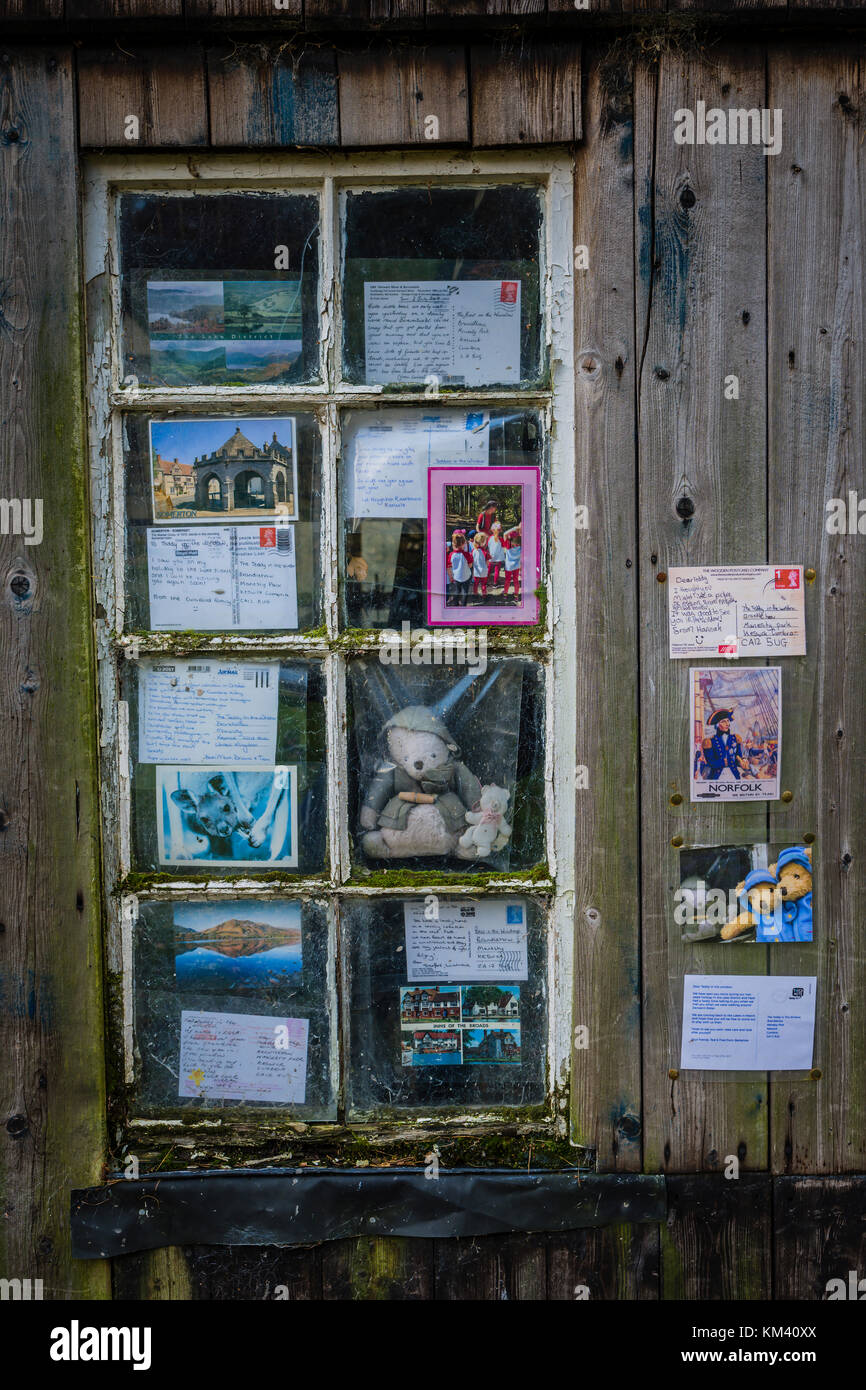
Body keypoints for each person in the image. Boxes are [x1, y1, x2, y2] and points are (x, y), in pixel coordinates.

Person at [700, 708, 746, 780]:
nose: (727, 724)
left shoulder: (735, 738)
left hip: (734, 773)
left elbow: (738, 756)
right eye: (723, 722)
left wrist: (742, 761)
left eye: (728, 721)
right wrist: (723, 762)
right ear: (717, 725)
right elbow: (710, 762)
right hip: (718, 775)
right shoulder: (710, 741)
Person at [447, 529, 471, 606]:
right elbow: (470, 565)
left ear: (453, 544)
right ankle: (463, 605)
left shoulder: (451, 555)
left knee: (457, 591)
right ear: (464, 544)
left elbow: (448, 567)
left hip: (456, 577)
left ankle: (455, 604)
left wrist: (450, 576)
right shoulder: (467, 554)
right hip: (466, 576)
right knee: (465, 592)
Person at [502, 523, 521, 600]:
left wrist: (514, 528)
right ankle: (516, 595)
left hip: (508, 566)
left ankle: (505, 594)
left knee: (507, 580)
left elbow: (505, 534)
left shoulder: (508, 545)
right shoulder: (520, 546)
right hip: (516, 566)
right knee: (516, 580)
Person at [471, 529, 489, 598]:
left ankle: (475, 594)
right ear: (483, 543)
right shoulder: (485, 552)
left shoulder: (473, 551)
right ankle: (484, 595)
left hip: (476, 571)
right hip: (484, 571)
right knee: (483, 584)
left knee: (475, 584)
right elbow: (487, 563)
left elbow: (472, 560)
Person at [487, 520, 505, 588]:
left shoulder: (489, 538)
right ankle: (495, 583)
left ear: (492, 530)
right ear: (500, 530)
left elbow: (487, 546)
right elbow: (504, 545)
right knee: (497, 571)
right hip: (498, 558)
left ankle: (485, 581)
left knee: (489, 570)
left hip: (491, 557)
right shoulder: (500, 539)